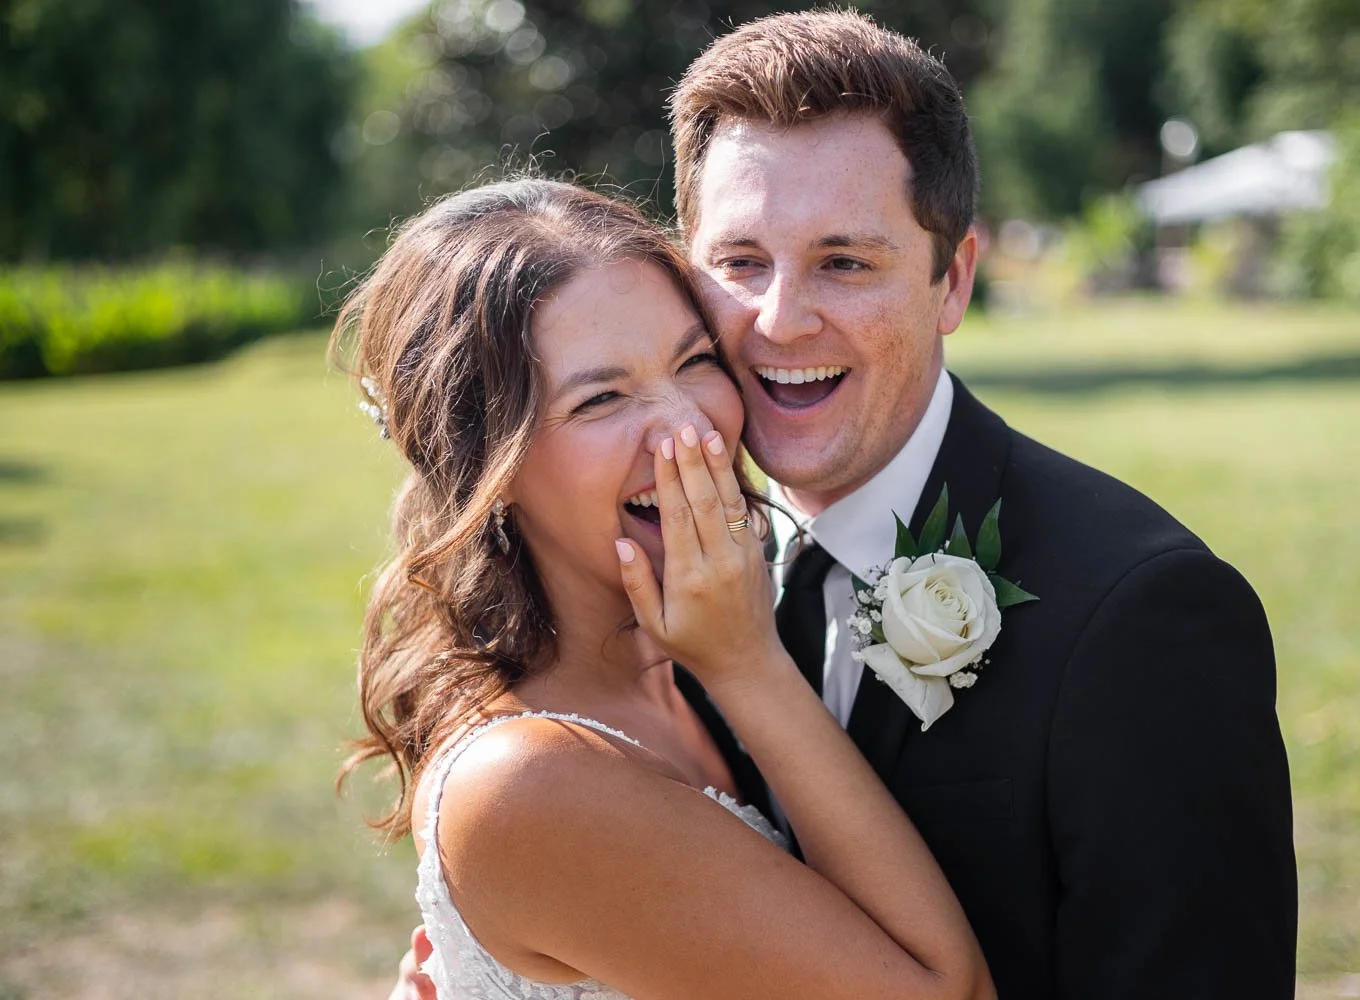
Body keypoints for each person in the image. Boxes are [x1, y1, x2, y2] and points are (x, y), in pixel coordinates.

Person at [394, 9, 1298, 998]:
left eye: (845, 261)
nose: (782, 320)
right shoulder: (663, 589)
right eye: (740, 264)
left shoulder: (1141, 615)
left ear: (951, 280)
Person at [338, 177, 996, 1000]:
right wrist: (749, 667)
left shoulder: (680, 660)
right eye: (601, 397)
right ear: (483, 465)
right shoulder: (537, 783)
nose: (689, 429)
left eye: (694, 361)